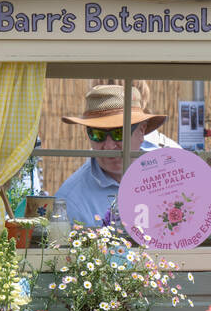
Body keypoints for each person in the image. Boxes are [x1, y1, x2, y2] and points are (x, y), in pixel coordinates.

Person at [55, 83, 166, 227]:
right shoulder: (70, 199)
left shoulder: (171, 175)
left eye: (119, 133)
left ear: (142, 130)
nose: (109, 146)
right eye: (97, 134)